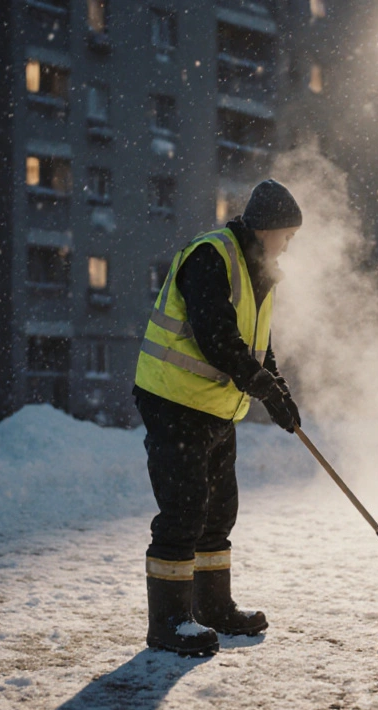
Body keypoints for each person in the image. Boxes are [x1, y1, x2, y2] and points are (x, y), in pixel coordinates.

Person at [133, 179, 303, 656]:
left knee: (218, 510)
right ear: (265, 228)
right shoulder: (212, 257)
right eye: (286, 234)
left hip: (214, 406)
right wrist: (258, 381)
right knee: (184, 510)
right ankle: (168, 622)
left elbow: (256, 348)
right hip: (174, 400)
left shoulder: (260, 274)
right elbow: (215, 335)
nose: (288, 244)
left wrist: (278, 396)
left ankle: (212, 608)